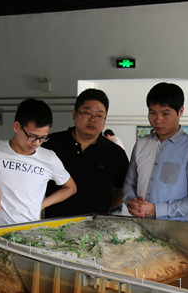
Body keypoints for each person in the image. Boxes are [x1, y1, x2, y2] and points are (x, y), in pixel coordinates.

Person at [123, 82, 188, 221]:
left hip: (174, 229)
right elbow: (129, 183)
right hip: (139, 226)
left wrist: (157, 209)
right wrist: (131, 202)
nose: (158, 120)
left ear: (180, 112)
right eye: (152, 113)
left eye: (165, 114)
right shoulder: (141, 144)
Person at [0, 99, 76, 226]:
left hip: (32, 232)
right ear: (17, 126)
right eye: (32, 136)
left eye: (43, 138)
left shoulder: (49, 158)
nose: (36, 143)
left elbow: (70, 188)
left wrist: (42, 205)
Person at [42, 89, 128, 218]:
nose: (93, 120)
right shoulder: (51, 144)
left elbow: (125, 188)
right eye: (87, 113)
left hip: (96, 225)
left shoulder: (115, 153)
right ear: (74, 114)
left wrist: (103, 207)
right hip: (55, 223)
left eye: (99, 115)